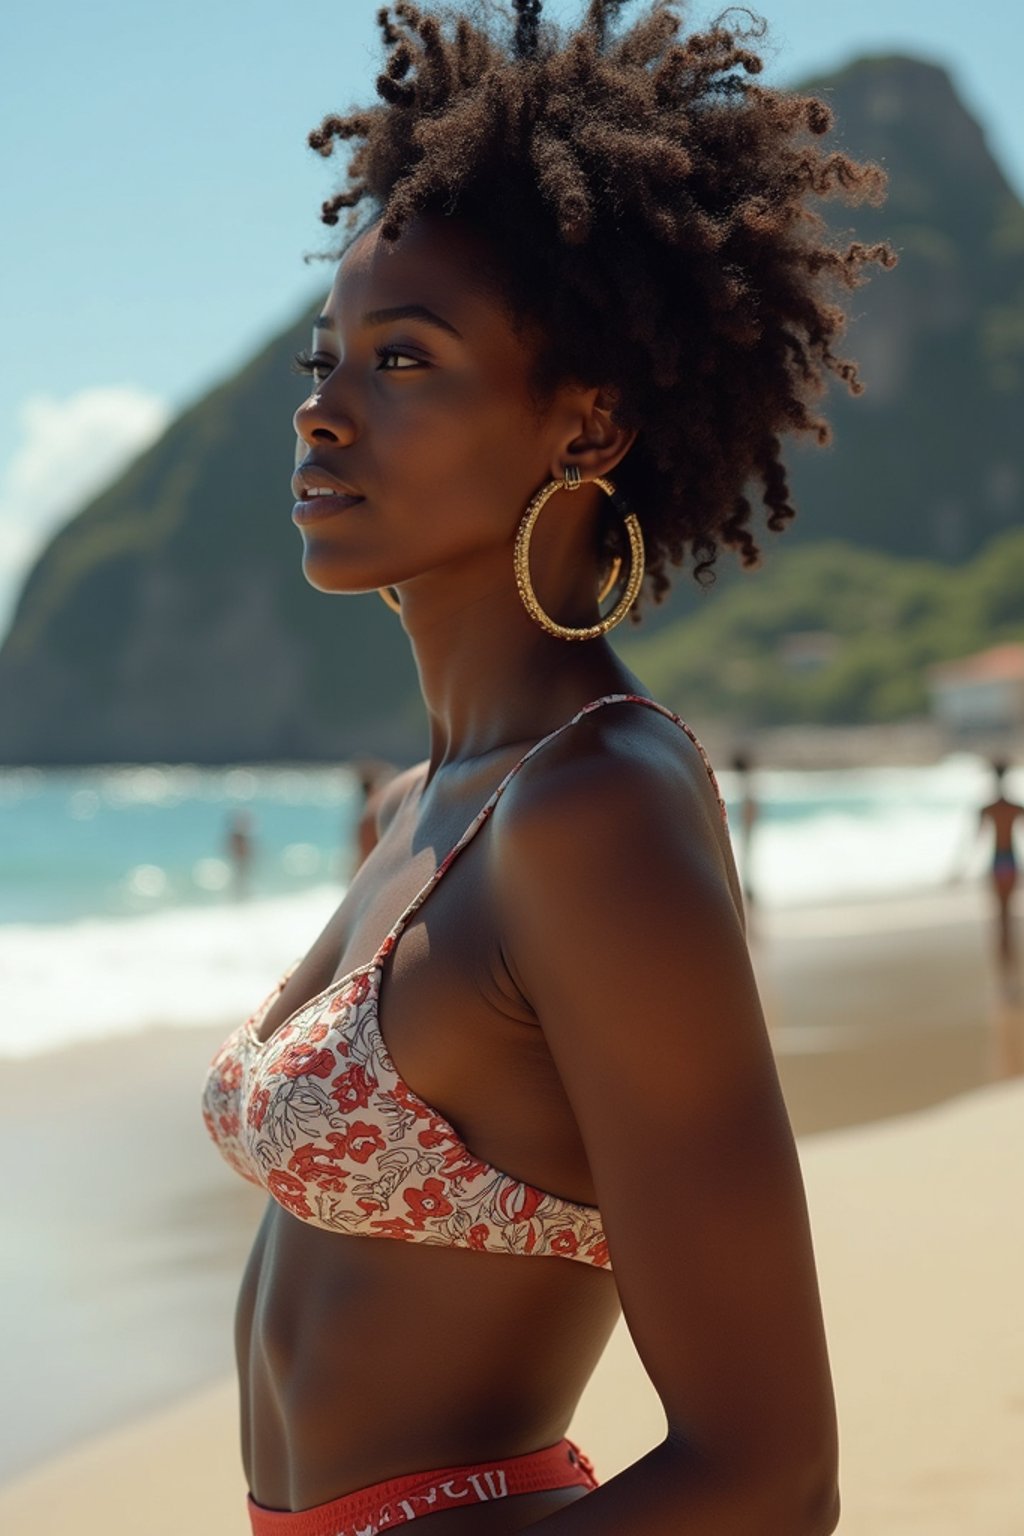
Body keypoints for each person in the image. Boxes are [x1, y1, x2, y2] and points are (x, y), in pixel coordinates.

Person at [202, 5, 894, 1531]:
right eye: (330, 360)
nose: (322, 411)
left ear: (585, 422)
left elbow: (772, 1475)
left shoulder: (593, 811)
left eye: (405, 361)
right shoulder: (421, 807)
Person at [979, 760, 1022, 1000]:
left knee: (1001, 921)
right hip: (1011, 864)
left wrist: (956, 872)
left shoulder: (988, 808)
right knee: (1010, 921)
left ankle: (1004, 978)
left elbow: (974, 844)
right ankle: (1012, 976)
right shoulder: (1015, 807)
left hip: (998, 865)